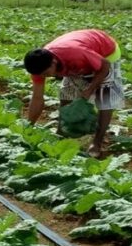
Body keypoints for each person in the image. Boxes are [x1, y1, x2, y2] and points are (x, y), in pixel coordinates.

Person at [23, 29, 124, 157]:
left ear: (53, 63)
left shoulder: (74, 54)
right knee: (67, 94)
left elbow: (105, 66)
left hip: (106, 52)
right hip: (77, 57)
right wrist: (29, 126)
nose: (45, 77)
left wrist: (90, 89)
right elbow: (37, 98)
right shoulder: (38, 67)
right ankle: (62, 132)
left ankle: (97, 142)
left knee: (105, 98)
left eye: (46, 74)